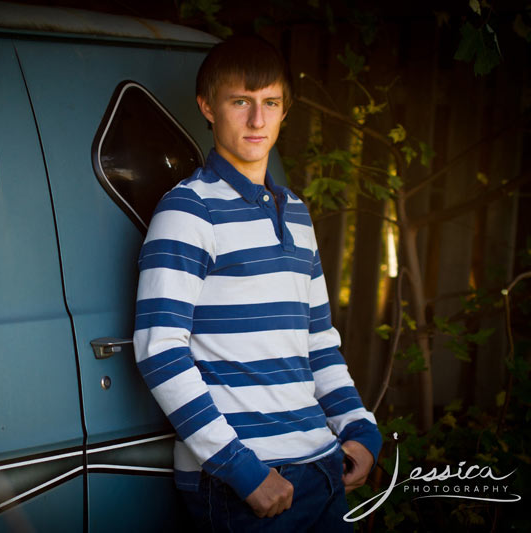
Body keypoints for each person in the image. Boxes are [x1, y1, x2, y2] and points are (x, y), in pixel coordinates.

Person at [133, 35, 381, 532]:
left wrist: (359, 430)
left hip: (324, 466)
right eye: (240, 102)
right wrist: (241, 471)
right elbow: (159, 349)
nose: (256, 120)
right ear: (207, 106)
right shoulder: (188, 210)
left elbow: (319, 341)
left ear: (285, 110)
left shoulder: (296, 212)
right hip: (248, 483)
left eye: (270, 103)